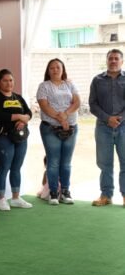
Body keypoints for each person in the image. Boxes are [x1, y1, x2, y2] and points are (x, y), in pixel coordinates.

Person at [0, 69, 33, 211]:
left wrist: (24, 121)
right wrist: (19, 116)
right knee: (4, 167)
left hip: (20, 137)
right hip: (2, 137)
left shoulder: (17, 97)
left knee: (16, 167)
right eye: (5, 80)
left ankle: (16, 197)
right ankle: (1, 198)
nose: (9, 83)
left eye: (11, 80)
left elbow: (28, 113)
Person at [37, 58, 80, 205]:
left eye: (58, 67)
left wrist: (66, 115)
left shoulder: (70, 84)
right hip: (50, 128)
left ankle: (66, 192)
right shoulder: (44, 86)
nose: (55, 70)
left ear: (63, 69)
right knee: (53, 162)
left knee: (66, 163)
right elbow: (44, 105)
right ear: (48, 71)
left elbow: (77, 102)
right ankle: (53, 192)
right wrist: (60, 118)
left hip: (71, 127)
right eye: (52, 68)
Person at [89, 49, 125, 206]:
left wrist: (119, 118)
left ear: (122, 61)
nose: (113, 61)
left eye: (117, 58)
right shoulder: (97, 80)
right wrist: (107, 119)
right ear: (107, 60)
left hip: (124, 127)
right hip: (103, 128)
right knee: (105, 163)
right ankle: (106, 195)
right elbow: (92, 104)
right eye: (111, 58)